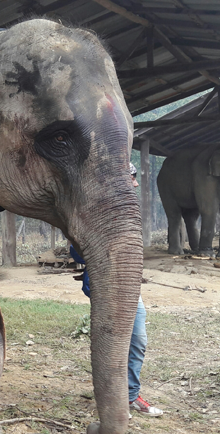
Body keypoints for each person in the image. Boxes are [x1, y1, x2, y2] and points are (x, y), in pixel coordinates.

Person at [69, 163, 163, 418]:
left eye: (134, 178)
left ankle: (130, 396)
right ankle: (113, 398)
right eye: (132, 178)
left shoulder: (127, 208)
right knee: (114, 341)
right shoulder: (92, 208)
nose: (134, 183)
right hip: (105, 284)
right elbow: (76, 250)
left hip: (129, 283)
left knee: (138, 339)